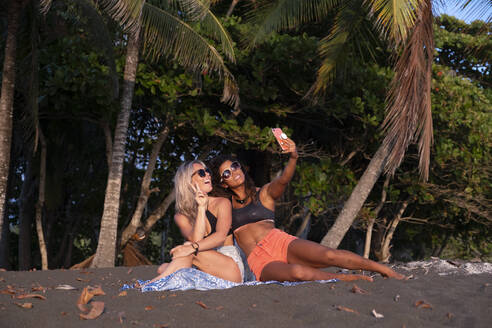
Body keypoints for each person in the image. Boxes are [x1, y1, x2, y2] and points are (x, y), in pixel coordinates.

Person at [208, 138, 405, 282]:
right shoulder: (224, 206)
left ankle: (381, 269)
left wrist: (293, 157)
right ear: (223, 183)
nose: (233, 172)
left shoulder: (264, 193)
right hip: (258, 260)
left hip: (279, 242)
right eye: (226, 173)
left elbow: (283, 180)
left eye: (234, 166)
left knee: (329, 256)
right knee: (297, 273)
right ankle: (344, 279)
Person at [145, 160, 244, 284]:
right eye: (201, 173)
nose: (208, 175)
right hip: (205, 266)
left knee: (185, 250)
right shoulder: (181, 216)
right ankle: (166, 275)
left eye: (207, 171)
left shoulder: (222, 203)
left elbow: (220, 237)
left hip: (230, 268)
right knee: (164, 267)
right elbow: (196, 241)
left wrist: (191, 247)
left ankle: (156, 282)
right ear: (188, 182)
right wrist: (201, 208)